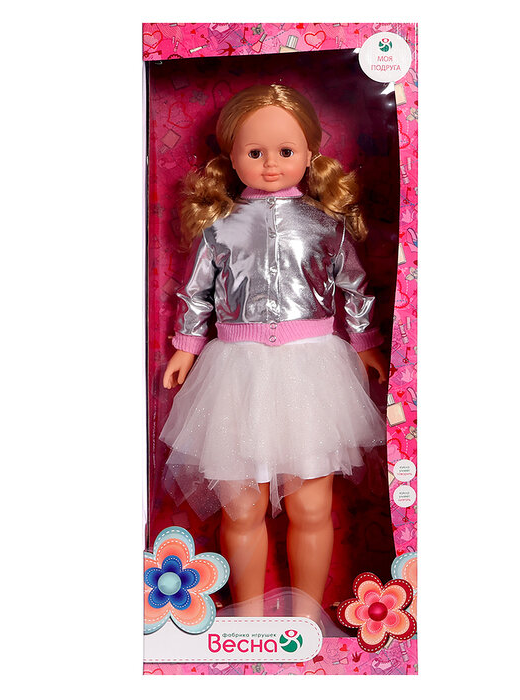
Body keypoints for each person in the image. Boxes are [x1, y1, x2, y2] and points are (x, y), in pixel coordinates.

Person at [160, 84, 387, 619]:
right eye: (254, 151)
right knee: (242, 507)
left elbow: (354, 287)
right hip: (236, 370)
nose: (269, 163)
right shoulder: (221, 226)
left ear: (310, 154)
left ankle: (306, 619)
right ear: (231, 156)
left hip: (312, 369)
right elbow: (197, 292)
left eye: (285, 151)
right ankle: (249, 622)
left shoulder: (324, 223)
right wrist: (187, 346)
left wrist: (366, 344)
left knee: (311, 504)